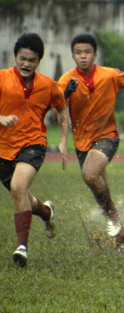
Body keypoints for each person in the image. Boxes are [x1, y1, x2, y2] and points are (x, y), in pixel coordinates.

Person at [57, 33, 124, 248]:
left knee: (89, 174)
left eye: (87, 52)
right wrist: (66, 94)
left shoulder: (109, 75)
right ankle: (120, 230)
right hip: (82, 142)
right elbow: (56, 106)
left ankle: (113, 218)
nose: (83, 56)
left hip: (107, 136)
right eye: (78, 53)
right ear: (73, 55)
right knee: (98, 187)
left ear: (95, 54)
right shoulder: (66, 80)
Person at [0, 33, 69, 267]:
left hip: (33, 144)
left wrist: (63, 140)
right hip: (3, 148)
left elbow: (62, 109)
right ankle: (46, 213)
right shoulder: (1, 79)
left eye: (32, 60)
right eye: (22, 59)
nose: (26, 64)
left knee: (18, 187)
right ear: (15, 57)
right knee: (22, 195)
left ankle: (22, 247)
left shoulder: (48, 85)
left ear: (38, 61)